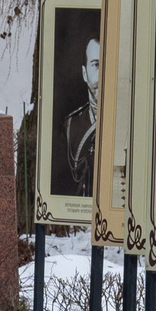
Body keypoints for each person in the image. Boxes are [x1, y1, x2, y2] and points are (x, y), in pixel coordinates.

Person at [59, 31, 101, 197]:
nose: (103, 73)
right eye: (96, 64)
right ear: (85, 73)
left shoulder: (132, 123)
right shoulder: (70, 126)